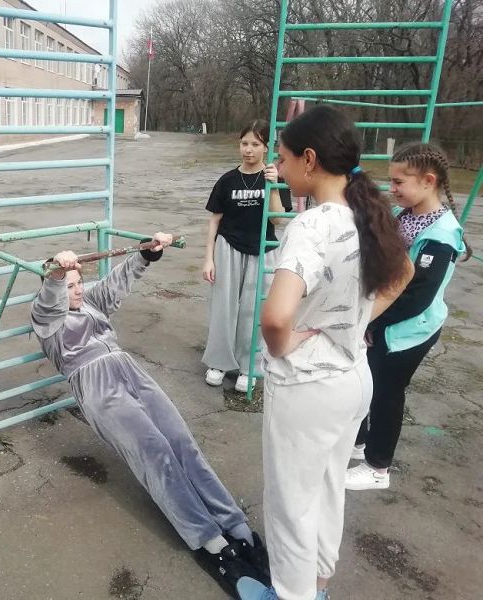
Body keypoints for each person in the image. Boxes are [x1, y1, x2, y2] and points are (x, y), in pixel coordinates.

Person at [236, 106, 413, 600]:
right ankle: (317, 586)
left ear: (309, 160)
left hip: (308, 387)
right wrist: (355, 321)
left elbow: (276, 318)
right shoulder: (367, 212)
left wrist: (285, 343)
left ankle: (290, 595)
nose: (278, 165)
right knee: (329, 488)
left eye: (283, 157)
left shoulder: (312, 227)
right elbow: (403, 274)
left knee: (291, 502)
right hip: (353, 378)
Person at [31, 235, 269, 596]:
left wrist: (146, 253)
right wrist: (56, 276)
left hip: (130, 370)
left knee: (182, 443)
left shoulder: (90, 301)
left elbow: (117, 282)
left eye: (79, 283)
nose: (77, 291)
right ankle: (210, 541)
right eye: (70, 286)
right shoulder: (46, 319)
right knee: (155, 454)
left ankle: (236, 527)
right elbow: (49, 300)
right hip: (96, 384)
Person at [346, 143, 467, 491]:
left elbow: (417, 298)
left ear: (428, 181)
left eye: (399, 182)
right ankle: (359, 441)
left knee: (387, 393)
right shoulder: (407, 214)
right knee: (367, 384)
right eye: (391, 180)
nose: (393, 188)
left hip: (408, 331)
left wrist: (372, 322)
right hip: (385, 322)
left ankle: (377, 467)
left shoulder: (440, 235)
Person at [202, 120, 292, 393]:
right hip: (228, 247)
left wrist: (273, 184)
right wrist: (209, 258)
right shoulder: (227, 180)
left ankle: (248, 366)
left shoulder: (275, 179)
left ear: (266, 147)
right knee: (224, 307)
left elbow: (278, 220)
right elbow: (215, 221)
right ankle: (218, 362)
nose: (249, 150)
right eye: (244, 143)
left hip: (262, 250)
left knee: (254, 310)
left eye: (255, 144)